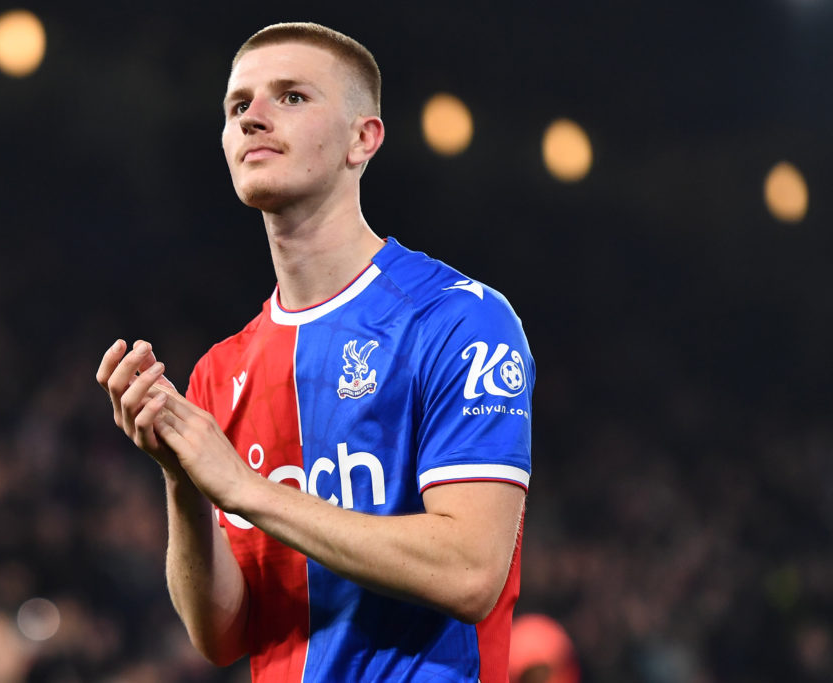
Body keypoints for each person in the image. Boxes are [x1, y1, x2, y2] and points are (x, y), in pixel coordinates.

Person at [96, 22, 535, 682]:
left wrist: (246, 489)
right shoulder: (221, 370)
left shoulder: (458, 320)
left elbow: (470, 570)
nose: (253, 118)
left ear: (365, 138)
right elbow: (223, 636)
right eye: (237, 105)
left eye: (291, 97)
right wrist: (183, 482)